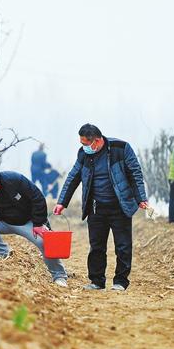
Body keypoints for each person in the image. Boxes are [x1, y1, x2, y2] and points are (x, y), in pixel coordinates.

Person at [53, 124, 149, 291]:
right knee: (96, 246)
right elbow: (73, 177)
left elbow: (135, 173)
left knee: (123, 246)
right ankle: (97, 281)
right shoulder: (84, 154)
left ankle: (120, 281)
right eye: (81, 143)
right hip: (96, 207)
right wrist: (62, 202)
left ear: (96, 141)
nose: (83, 147)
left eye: (86, 143)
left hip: (120, 206)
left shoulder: (121, 148)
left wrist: (141, 198)